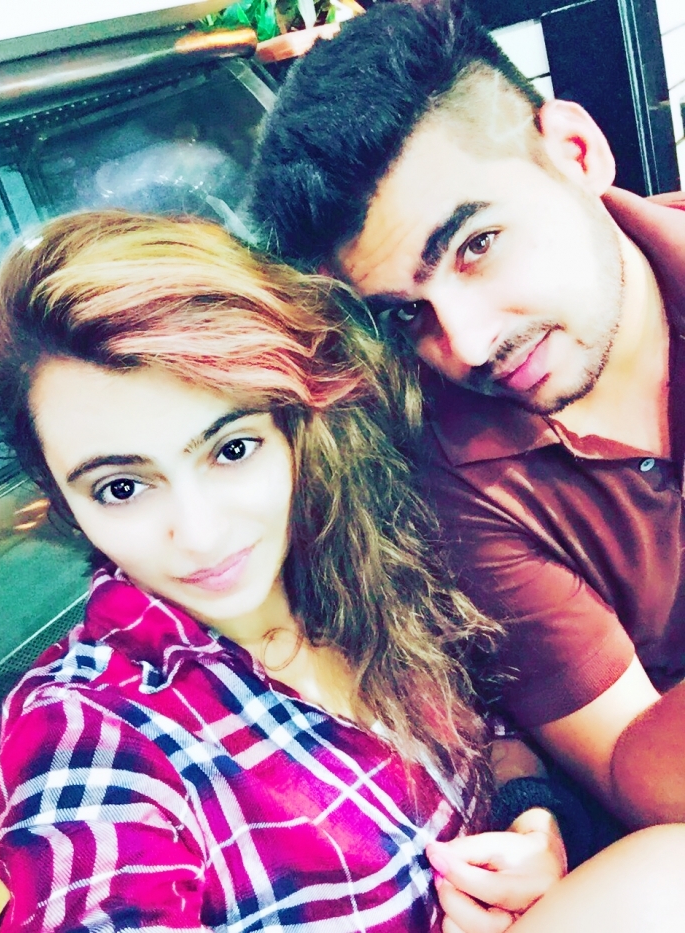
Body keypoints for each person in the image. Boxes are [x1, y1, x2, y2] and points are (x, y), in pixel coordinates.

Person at [0, 211, 685, 933]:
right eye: (122, 487)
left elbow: (495, 736)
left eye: (232, 450)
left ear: (294, 422)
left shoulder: (372, 564)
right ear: (60, 497)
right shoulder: (89, 733)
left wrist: (531, 824)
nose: (200, 534)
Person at [250, 0, 685, 830]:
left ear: (577, 152)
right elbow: (638, 778)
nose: (470, 343)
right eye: (406, 312)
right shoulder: (458, 482)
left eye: (476, 245)